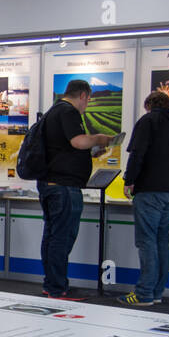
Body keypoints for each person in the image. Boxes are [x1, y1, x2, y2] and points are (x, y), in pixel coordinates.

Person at [38, 79, 112, 300]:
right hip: (64, 187)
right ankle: (58, 288)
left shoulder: (52, 113)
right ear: (83, 95)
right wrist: (100, 138)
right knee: (62, 237)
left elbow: (66, 149)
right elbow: (78, 142)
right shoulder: (68, 112)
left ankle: (52, 284)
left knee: (52, 236)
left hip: (50, 184)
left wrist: (89, 154)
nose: (87, 104)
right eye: (88, 99)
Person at [119, 90, 169, 306]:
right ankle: (157, 292)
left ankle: (143, 293)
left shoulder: (148, 121)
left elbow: (137, 154)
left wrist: (129, 180)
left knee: (146, 241)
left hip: (150, 189)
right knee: (161, 241)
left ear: (149, 105)